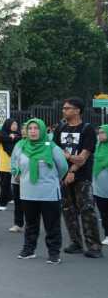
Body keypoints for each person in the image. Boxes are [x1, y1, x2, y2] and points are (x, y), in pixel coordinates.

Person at [51, 97, 103, 258]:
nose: (64, 110)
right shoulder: (60, 128)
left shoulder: (87, 129)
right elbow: (55, 152)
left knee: (87, 209)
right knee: (68, 210)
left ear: (77, 110)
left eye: (67, 108)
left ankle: (94, 245)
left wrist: (71, 169)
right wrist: (65, 171)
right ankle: (76, 242)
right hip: (63, 176)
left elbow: (83, 158)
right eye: (64, 108)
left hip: (82, 176)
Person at [11, 119, 68, 264]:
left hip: (49, 193)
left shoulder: (51, 147)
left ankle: (54, 253)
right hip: (27, 192)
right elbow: (14, 163)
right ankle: (28, 250)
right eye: (30, 128)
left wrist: (54, 180)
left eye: (36, 128)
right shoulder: (20, 146)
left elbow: (63, 167)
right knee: (30, 223)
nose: (33, 131)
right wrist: (16, 172)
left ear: (42, 130)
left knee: (52, 225)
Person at [0, 120, 22, 228]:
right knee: (5, 183)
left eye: (16, 124)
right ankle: (2, 203)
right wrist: (11, 138)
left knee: (16, 185)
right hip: (5, 162)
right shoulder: (1, 134)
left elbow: (21, 138)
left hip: (17, 163)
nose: (15, 126)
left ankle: (10, 198)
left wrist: (13, 138)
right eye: (13, 124)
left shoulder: (19, 135)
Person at [92, 125, 108, 246]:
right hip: (99, 188)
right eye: (99, 132)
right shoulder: (97, 147)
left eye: (103, 132)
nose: (100, 134)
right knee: (103, 212)